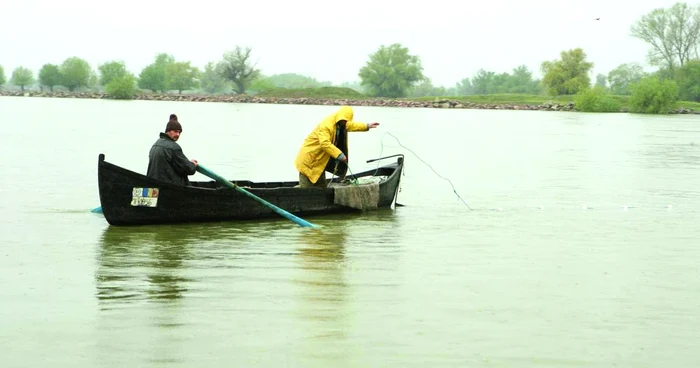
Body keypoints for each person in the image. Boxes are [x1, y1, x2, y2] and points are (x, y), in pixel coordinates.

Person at [294, 106, 379, 188]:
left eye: (347, 121)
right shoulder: (326, 125)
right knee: (306, 189)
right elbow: (324, 143)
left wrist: (367, 126)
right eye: (344, 121)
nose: (346, 122)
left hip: (319, 162)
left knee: (322, 188)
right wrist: (339, 155)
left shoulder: (341, 123)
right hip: (308, 160)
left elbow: (351, 125)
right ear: (340, 117)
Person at [146, 116, 198, 186]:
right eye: (175, 131)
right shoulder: (173, 147)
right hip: (169, 189)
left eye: (179, 132)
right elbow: (188, 169)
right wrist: (193, 165)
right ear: (168, 131)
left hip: (154, 185)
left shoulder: (155, 144)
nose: (178, 134)